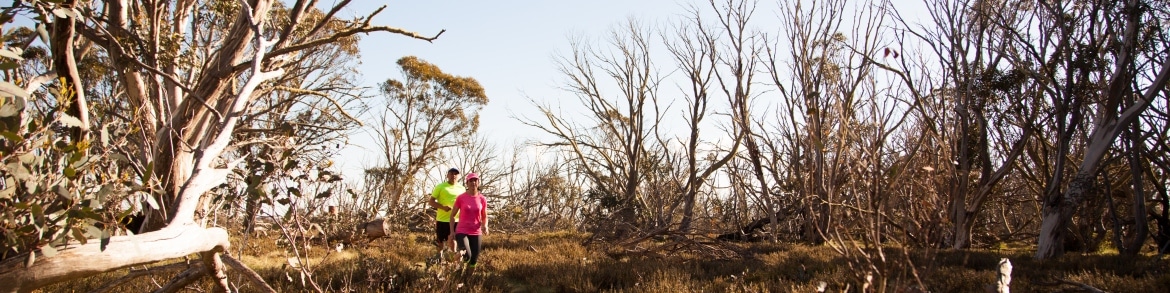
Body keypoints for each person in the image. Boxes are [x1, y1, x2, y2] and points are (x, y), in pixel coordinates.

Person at [448, 172, 489, 275]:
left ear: (478, 183)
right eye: (471, 181)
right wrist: (452, 232)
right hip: (462, 231)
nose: (473, 182)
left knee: (474, 259)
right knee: (467, 255)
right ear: (467, 183)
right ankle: (453, 262)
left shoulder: (482, 199)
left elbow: (484, 216)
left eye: (475, 180)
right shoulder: (461, 198)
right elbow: (452, 216)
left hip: (476, 231)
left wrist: (485, 226)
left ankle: (468, 279)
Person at [429, 167, 464, 262]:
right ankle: (439, 261)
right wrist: (443, 207)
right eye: (451, 173)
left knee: (453, 241)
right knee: (440, 243)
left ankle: (454, 262)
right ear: (447, 175)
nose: (453, 175)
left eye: (455, 174)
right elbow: (431, 202)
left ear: (458, 176)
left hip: (456, 220)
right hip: (442, 219)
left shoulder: (462, 188)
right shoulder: (440, 187)